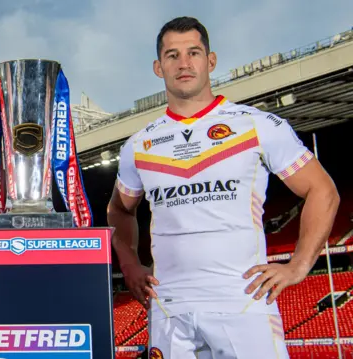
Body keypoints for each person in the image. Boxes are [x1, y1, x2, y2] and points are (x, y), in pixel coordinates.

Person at [107, 16, 339, 359]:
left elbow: (323, 191)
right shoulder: (139, 145)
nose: (183, 63)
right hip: (170, 307)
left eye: (193, 53)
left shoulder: (257, 126)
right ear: (158, 67)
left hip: (243, 302)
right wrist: (129, 266)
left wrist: (299, 264)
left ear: (211, 60)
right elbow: (119, 209)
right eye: (172, 55)